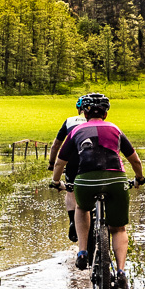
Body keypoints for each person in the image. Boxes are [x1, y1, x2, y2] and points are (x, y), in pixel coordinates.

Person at [49, 94, 145, 289]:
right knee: (118, 228)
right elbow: (135, 161)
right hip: (116, 180)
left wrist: (57, 182)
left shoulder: (75, 130)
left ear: (84, 113)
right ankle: (121, 273)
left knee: (82, 208)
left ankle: (83, 252)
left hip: (85, 180)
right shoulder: (115, 129)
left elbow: (60, 162)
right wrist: (139, 178)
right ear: (106, 113)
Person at [48, 95, 90, 243]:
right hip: (93, 160)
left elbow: (55, 145)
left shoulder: (70, 121)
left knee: (71, 189)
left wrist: (52, 164)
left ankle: (72, 220)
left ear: (79, 109)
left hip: (72, 159)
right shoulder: (99, 122)